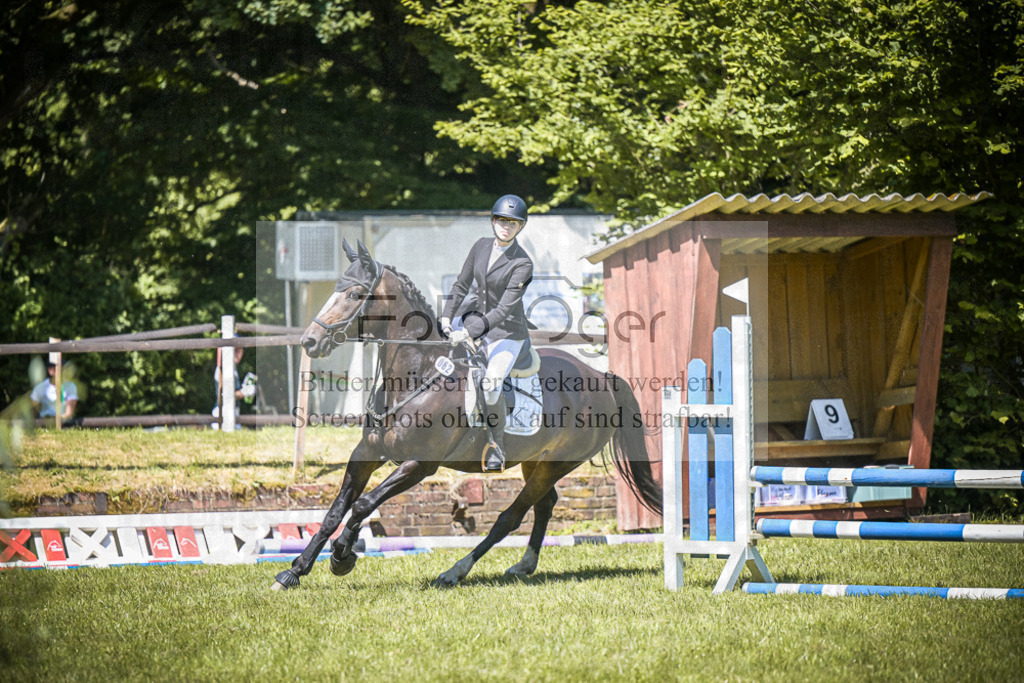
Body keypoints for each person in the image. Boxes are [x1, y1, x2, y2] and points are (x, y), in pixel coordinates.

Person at [441, 194, 534, 471]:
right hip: (474, 324)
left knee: (491, 383)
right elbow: (461, 285)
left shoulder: (523, 263)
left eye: (513, 223)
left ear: (520, 227)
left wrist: (468, 331)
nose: (506, 227)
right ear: (493, 221)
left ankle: (497, 444)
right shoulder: (480, 246)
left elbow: (504, 310)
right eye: (502, 221)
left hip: (507, 334)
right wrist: (446, 318)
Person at [212, 346, 256, 428]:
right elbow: (226, 396)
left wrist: (244, 390)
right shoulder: (224, 369)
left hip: (233, 414)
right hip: (223, 414)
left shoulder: (233, 369)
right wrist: (244, 392)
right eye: (235, 350)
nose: (238, 354)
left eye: (240, 351)